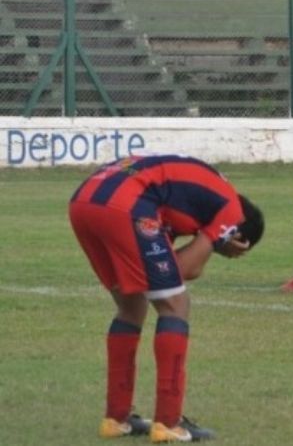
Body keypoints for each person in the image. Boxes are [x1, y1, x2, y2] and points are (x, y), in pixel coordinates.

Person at [69, 155, 264, 442]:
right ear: (239, 237)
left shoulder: (186, 205)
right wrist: (213, 240)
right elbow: (186, 269)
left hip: (85, 201)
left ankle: (116, 418)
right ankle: (168, 422)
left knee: (131, 305)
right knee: (177, 304)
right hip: (126, 204)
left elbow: (163, 267)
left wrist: (204, 238)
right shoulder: (231, 211)